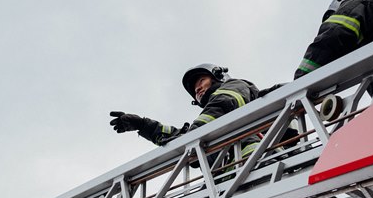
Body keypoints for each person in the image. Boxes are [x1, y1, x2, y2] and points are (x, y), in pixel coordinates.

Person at [109, 63, 261, 158]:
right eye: (195, 90)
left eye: (201, 81)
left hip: (258, 161)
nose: (198, 89)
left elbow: (220, 107)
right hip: (232, 179)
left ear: (218, 77)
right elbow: (184, 137)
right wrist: (143, 125)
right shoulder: (207, 128)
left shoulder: (235, 86)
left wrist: (190, 140)